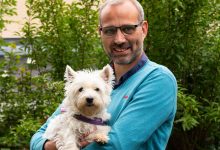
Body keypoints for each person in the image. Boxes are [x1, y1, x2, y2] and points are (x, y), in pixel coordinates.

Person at [30, 0, 177, 149]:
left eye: (128, 28)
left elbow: (115, 146)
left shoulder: (158, 80)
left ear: (144, 29)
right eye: (110, 30)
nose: (119, 39)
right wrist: (57, 145)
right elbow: (36, 141)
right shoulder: (90, 81)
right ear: (100, 33)